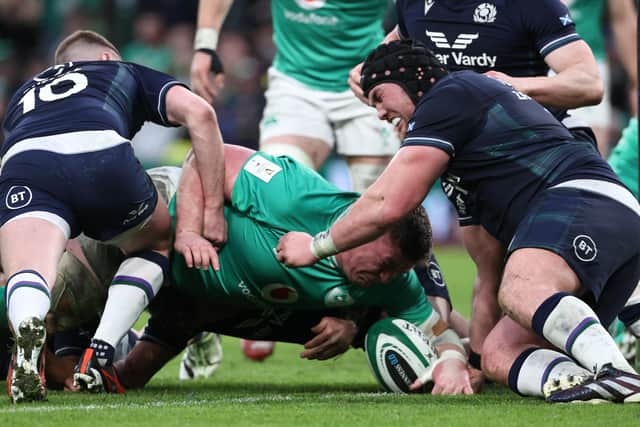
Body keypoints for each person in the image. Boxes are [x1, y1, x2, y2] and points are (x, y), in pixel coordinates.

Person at [276, 40, 640, 403]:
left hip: (582, 198)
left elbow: (388, 202)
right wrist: (474, 359)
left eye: (378, 97)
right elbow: (488, 266)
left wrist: (315, 246)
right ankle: (590, 385)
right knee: (499, 353)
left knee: (522, 289)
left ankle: (615, 374)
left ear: (413, 77)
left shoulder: (449, 92)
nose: (380, 113)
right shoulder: (463, 159)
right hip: (597, 220)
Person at [347, 0, 605, 378]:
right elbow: (388, 60)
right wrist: (368, 77)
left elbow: (589, 83)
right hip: (467, 159)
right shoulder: (413, 6)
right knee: (488, 266)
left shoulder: (533, 6)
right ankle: (484, 362)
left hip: (535, 159)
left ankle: (600, 343)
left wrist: (512, 85)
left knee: (546, 271)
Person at [0, 30, 227, 403]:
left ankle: (29, 322)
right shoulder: (123, 71)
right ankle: (101, 352)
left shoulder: (25, 91)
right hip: (99, 151)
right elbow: (200, 113)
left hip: (24, 161)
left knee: (29, 269)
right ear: (107, 58)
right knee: (155, 242)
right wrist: (212, 211)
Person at [563, 0, 638, 157]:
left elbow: (622, 18)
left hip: (588, 64)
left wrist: (636, 83)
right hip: (527, 62)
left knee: (592, 151)